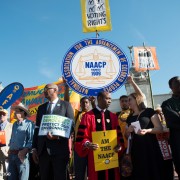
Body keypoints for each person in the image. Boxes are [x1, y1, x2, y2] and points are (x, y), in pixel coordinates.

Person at [75, 91, 125, 180]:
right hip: (95, 157)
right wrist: (87, 144)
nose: (109, 101)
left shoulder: (113, 116)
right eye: (107, 98)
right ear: (99, 99)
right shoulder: (88, 116)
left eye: (110, 99)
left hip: (111, 157)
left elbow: (118, 136)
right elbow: (81, 137)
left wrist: (119, 146)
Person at [32, 83, 74, 180]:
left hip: (60, 150)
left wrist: (58, 136)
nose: (44, 91)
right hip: (43, 151)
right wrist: (34, 148)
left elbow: (71, 126)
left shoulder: (66, 105)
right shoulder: (41, 108)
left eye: (47, 88)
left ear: (55, 90)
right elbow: (37, 128)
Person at [125, 91, 164, 179]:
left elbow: (159, 128)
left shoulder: (149, 111)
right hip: (136, 151)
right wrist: (128, 131)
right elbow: (126, 135)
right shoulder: (129, 117)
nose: (128, 102)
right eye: (127, 100)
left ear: (136, 99)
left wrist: (147, 130)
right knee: (140, 173)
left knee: (154, 172)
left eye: (129, 99)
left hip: (151, 148)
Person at [8, 103, 34, 180]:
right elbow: (12, 138)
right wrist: (10, 148)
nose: (14, 113)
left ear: (22, 113)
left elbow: (31, 140)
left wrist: (24, 151)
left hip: (22, 157)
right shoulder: (14, 124)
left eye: (17, 111)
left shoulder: (29, 124)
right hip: (12, 155)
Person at [161, 76, 180, 178]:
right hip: (177, 141)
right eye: (177, 82)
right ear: (171, 87)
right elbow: (172, 121)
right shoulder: (166, 104)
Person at [74, 96, 95, 180]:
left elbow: (99, 114)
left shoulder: (92, 114)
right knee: (79, 172)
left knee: (92, 172)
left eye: (86, 102)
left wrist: (93, 103)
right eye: (83, 102)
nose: (85, 104)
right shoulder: (77, 114)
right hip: (79, 147)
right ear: (80, 104)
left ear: (89, 104)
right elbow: (67, 102)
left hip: (91, 146)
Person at [155, 105, 174, 180]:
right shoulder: (154, 125)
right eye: (157, 113)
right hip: (159, 152)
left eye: (161, 113)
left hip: (168, 151)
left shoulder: (167, 123)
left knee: (169, 168)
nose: (159, 115)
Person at [0, 108, 12, 180]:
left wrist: (10, 149)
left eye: (3, 114)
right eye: (0, 114)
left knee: (6, 171)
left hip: (7, 152)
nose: (1, 116)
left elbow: (14, 139)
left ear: (6, 115)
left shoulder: (11, 126)